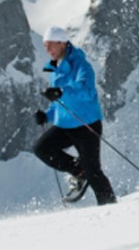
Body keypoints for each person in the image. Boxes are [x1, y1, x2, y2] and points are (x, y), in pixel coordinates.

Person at [33, 26, 117, 204]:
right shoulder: (55, 69)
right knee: (41, 148)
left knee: (94, 171)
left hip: (86, 125)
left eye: (50, 45)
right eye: (45, 45)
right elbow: (60, 103)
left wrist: (62, 91)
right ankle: (79, 171)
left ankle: (110, 206)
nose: (47, 49)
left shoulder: (81, 65)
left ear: (62, 43)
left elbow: (86, 91)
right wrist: (46, 116)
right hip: (65, 125)